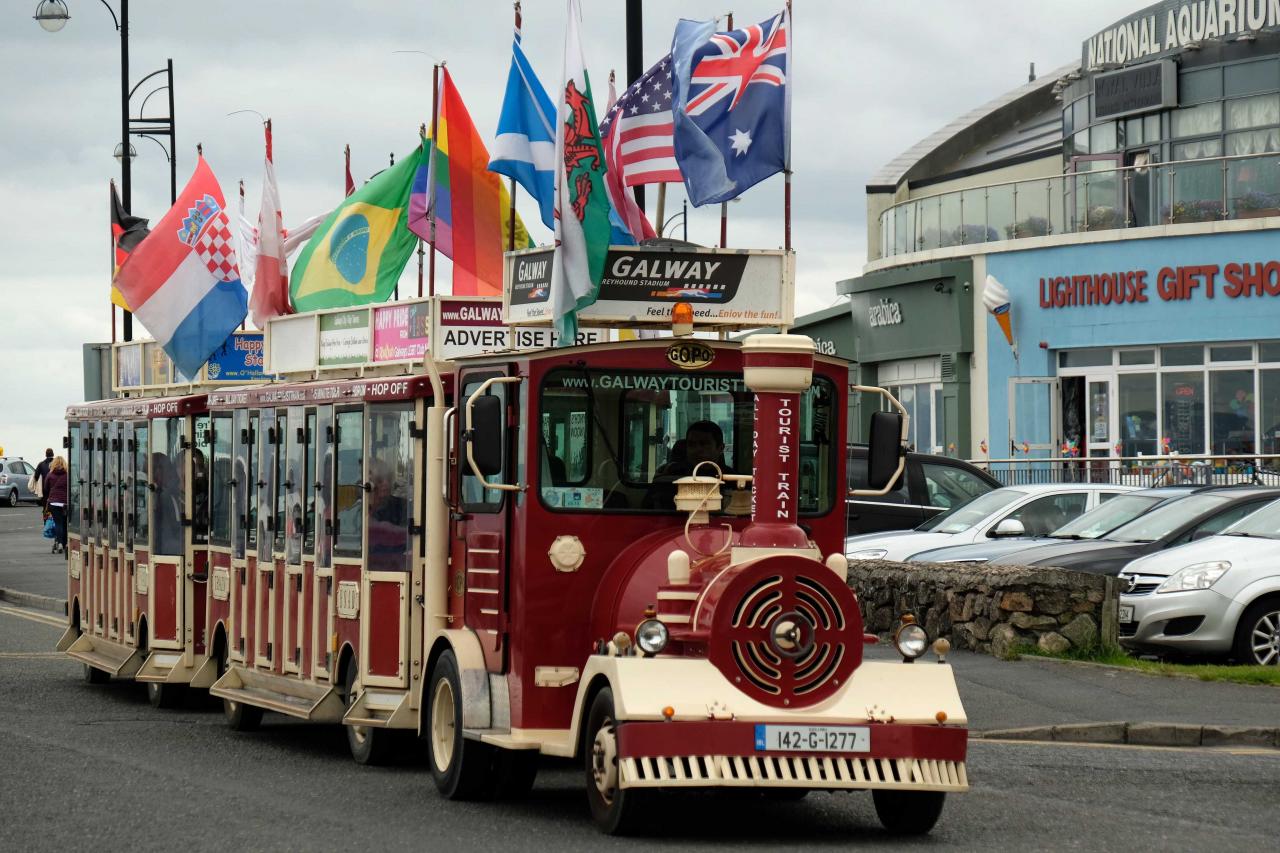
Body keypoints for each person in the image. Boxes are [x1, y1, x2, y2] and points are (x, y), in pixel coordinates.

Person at [645, 421, 733, 509]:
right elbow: (647, 510)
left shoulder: (734, 480)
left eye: (704, 444)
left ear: (720, 448)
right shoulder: (670, 475)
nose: (697, 449)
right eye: (691, 444)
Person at [44, 456, 68, 555]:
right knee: (65, 523)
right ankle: (66, 543)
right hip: (65, 503)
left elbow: (45, 488)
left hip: (54, 502)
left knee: (58, 523)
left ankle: (60, 543)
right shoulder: (67, 475)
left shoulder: (50, 475)